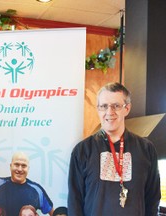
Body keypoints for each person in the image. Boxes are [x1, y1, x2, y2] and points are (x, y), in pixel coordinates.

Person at [67, 82, 161, 216]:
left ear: (127, 108)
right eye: (104, 106)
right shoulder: (82, 150)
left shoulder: (146, 149)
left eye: (116, 106)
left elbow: (152, 198)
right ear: (98, 109)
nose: (109, 112)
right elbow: (74, 202)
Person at [0, 148, 54, 216]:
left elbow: (53, 213)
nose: (20, 169)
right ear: (10, 166)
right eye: (16, 164)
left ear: (28, 169)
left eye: (23, 166)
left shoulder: (37, 190)